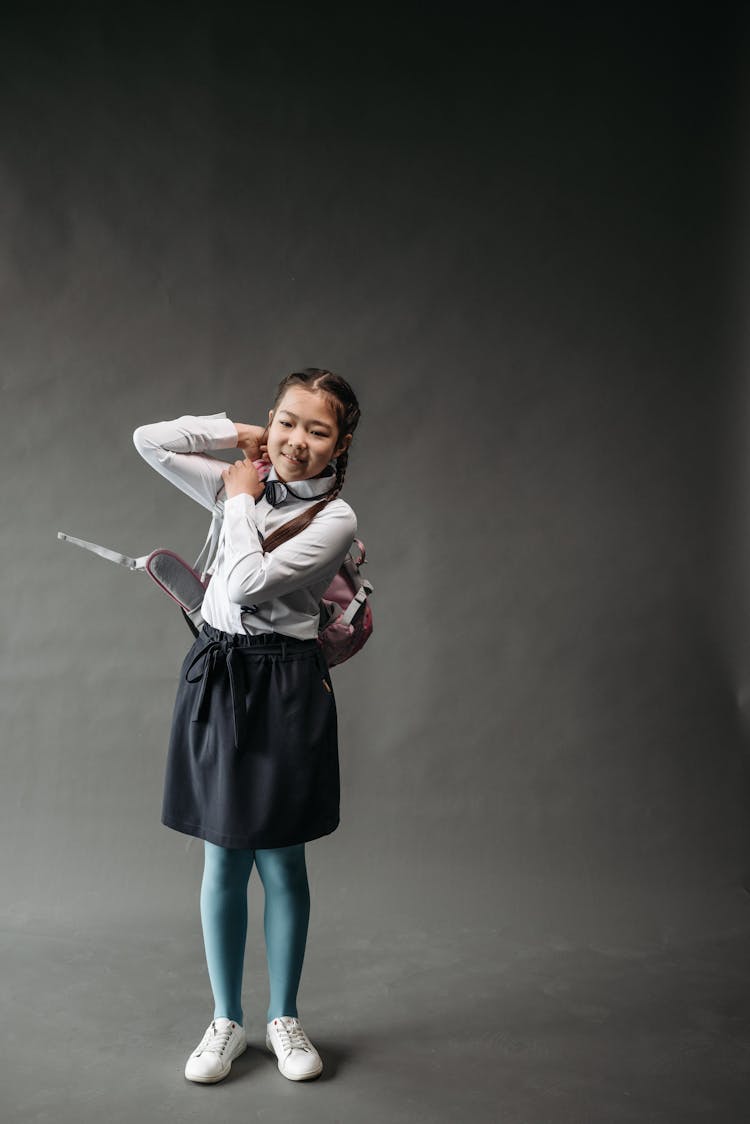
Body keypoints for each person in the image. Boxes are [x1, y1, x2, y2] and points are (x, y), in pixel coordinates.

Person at [132, 367, 361, 1085]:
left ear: (340, 443)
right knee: (223, 857)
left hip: (284, 682)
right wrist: (237, 436)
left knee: (282, 859)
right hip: (220, 674)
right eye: (287, 422)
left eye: (316, 431)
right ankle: (225, 1020)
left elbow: (245, 583)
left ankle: (283, 1019)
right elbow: (150, 441)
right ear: (272, 420)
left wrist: (236, 499)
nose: (297, 442)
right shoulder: (251, 468)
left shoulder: (336, 520)